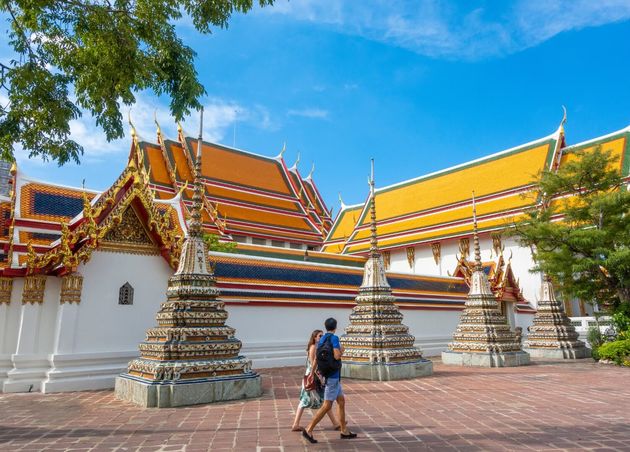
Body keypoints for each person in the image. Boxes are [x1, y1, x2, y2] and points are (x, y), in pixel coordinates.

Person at [302, 318, 357, 444]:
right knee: (327, 405)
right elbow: (337, 355)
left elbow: (316, 358)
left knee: (341, 401)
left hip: (328, 375)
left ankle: (344, 430)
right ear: (335, 327)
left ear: (326, 327)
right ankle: (308, 429)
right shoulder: (334, 338)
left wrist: (311, 373)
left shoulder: (321, 339)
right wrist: (342, 351)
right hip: (333, 376)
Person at [291, 329, 340, 432]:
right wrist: (316, 376)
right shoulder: (313, 347)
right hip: (312, 376)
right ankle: (296, 424)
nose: (321, 337)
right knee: (307, 400)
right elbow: (313, 363)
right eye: (319, 336)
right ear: (314, 338)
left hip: (315, 375)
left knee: (325, 401)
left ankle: (335, 423)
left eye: (322, 335)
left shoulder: (319, 347)